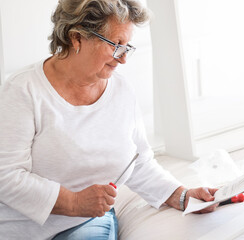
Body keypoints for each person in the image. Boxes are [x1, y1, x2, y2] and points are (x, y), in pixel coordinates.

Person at [0, 0, 218, 239]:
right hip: (21, 228)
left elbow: (139, 161)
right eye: (116, 44)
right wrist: (72, 202)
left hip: (86, 222)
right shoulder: (23, 90)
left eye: (127, 46)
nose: (123, 58)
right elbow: (6, 177)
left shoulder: (122, 91)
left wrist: (183, 195)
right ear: (77, 38)